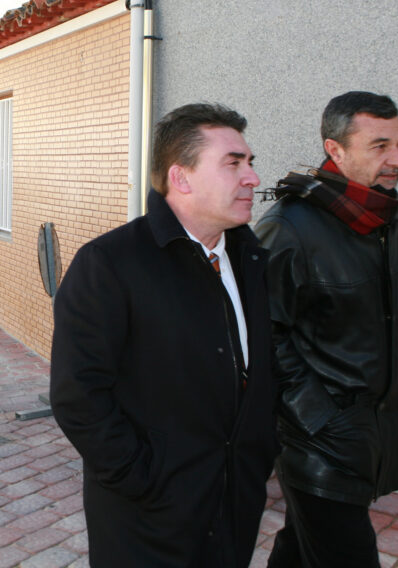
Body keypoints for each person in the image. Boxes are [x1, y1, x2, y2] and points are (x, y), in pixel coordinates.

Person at [50, 103, 278, 568]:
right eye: (234, 164)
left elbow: (265, 369)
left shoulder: (254, 260)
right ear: (181, 178)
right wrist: (144, 480)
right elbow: (78, 395)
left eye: (250, 162)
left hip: (235, 505)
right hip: (147, 523)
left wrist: (259, 455)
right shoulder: (110, 264)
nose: (252, 177)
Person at [257, 91, 398, 568]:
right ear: (335, 150)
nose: (396, 160)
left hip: (375, 432)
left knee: (300, 543)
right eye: (379, 146)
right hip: (318, 442)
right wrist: (317, 418)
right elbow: (260, 333)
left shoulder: (397, 216)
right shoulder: (288, 227)